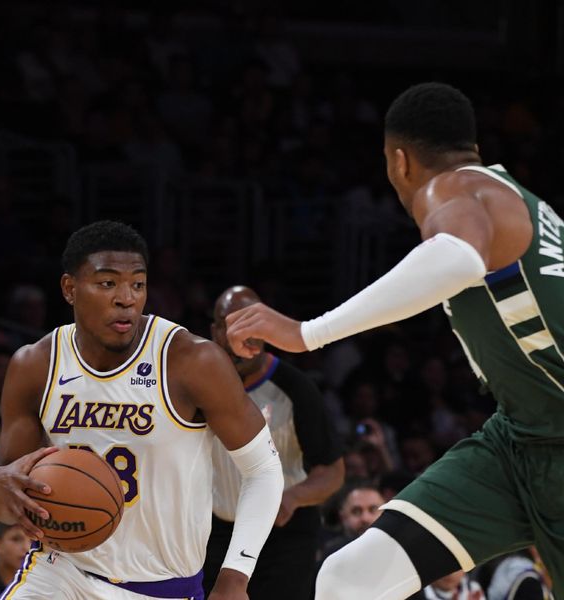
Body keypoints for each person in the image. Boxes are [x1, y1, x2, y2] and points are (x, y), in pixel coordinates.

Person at [225, 81, 564, 599]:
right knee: (347, 580)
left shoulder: (449, 189)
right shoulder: (506, 195)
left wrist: (306, 333)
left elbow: (456, 255)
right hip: (518, 440)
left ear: (399, 162)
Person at [0, 220, 284, 600]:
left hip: (163, 587)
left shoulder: (191, 360)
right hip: (62, 573)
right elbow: (7, 498)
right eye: (107, 283)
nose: (126, 297)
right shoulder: (35, 365)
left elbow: (263, 470)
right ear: (70, 289)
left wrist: (235, 576)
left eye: (137, 284)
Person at [204, 285, 344, 599]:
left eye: (250, 322)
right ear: (215, 331)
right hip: (215, 532)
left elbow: (333, 471)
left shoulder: (297, 389)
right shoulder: (199, 386)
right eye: (230, 324)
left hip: (284, 535)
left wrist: (293, 497)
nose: (242, 333)